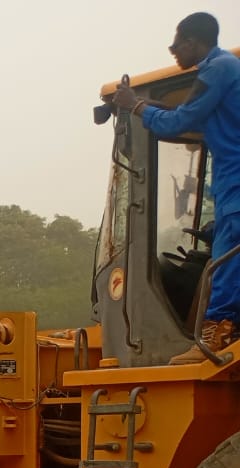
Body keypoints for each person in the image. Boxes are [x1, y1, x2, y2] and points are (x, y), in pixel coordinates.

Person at [115, 12, 240, 364]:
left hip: (235, 188)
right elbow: (186, 114)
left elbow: (179, 121)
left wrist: (135, 106)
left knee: (226, 264)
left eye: (176, 44)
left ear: (192, 41)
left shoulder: (216, 69)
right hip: (230, 190)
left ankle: (215, 335)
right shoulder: (227, 72)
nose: (173, 50)